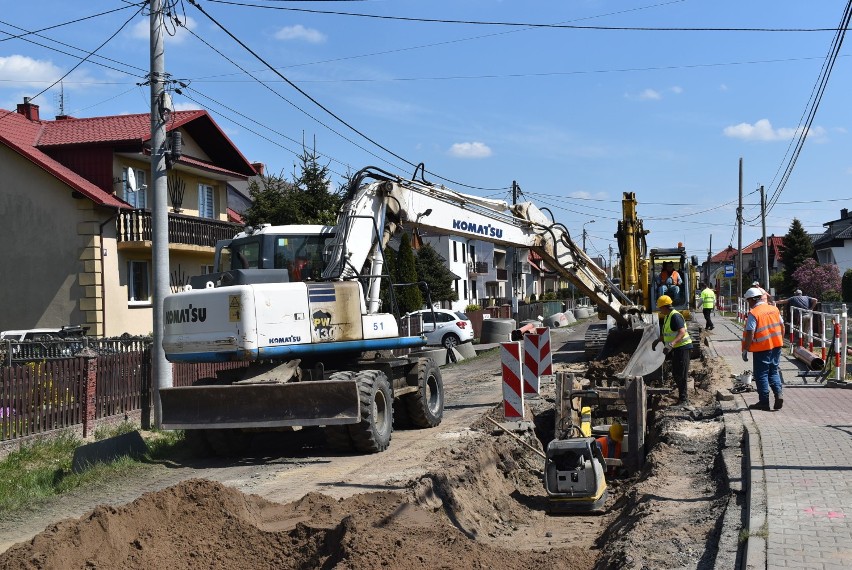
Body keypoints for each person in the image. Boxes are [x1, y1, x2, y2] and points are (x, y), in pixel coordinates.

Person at [742, 287, 785, 411]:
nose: (748, 303)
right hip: (776, 345)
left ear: (751, 300)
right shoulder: (774, 309)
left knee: (761, 374)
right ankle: (778, 394)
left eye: (748, 301)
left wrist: (746, 349)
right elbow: (782, 327)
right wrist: (780, 340)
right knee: (773, 371)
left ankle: (764, 402)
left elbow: (750, 332)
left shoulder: (754, 313)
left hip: (762, 348)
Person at [652, 294, 693, 406]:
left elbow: (681, 332)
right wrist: (658, 340)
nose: (660, 310)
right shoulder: (667, 316)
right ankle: (681, 397)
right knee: (676, 373)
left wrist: (671, 344)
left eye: (660, 308)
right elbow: (668, 333)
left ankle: (684, 400)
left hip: (683, 347)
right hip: (677, 348)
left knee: (682, 374)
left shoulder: (675, 316)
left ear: (665, 306)